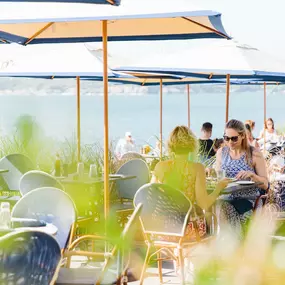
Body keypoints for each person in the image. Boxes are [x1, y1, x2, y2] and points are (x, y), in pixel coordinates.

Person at [151, 125, 229, 241]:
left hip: (159, 228)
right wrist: (218, 188)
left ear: (171, 145)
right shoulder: (197, 168)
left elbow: (150, 196)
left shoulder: (160, 167)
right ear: (192, 144)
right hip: (186, 229)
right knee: (209, 218)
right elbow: (204, 204)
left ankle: (175, 256)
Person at [215, 119, 269, 238]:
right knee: (217, 205)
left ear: (243, 136)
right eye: (226, 138)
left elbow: (265, 184)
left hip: (247, 200)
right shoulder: (221, 153)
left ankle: (232, 246)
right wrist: (210, 172)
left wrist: (253, 176)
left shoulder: (254, 154)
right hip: (225, 196)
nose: (230, 142)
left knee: (222, 207)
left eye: (234, 138)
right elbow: (217, 176)